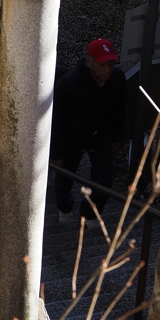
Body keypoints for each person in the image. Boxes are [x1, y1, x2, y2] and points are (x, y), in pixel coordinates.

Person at [50, 38, 127, 221]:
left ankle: (90, 213)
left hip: (101, 135)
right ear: (89, 62)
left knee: (104, 181)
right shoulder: (68, 84)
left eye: (111, 64)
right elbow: (56, 121)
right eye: (102, 65)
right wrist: (56, 153)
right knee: (64, 176)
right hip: (71, 138)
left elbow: (120, 109)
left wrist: (117, 137)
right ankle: (64, 206)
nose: (107, 70)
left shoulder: (117, 79)